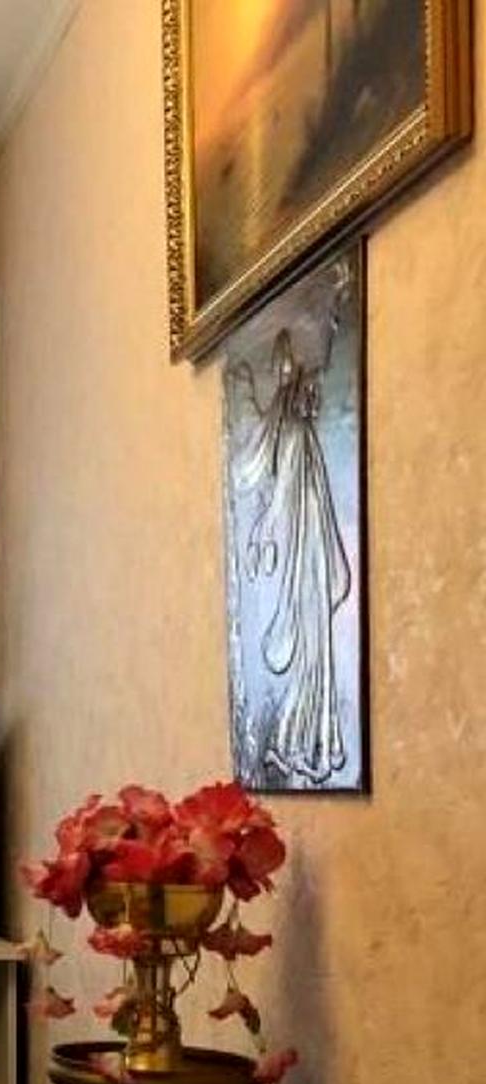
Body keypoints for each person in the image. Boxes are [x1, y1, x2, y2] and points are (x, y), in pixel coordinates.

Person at [225, 265, 354, 786]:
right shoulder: (289, 434)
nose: (309, 392)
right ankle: (304, 734)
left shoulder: (303, 441)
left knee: (314, 641)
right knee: (306, 634)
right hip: (300, 561)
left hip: (310, 560)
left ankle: (313, 736)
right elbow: (264, 482)